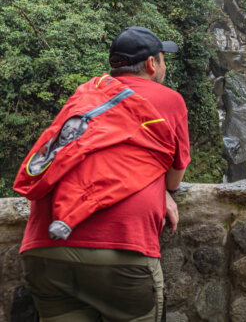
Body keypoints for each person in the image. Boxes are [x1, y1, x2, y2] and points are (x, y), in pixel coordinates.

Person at [19, 26, 191, 322]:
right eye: (163, 59)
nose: (164, 66)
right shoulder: (168, 100)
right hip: (122, 250)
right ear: (152, 64)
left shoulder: (86, 96)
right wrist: (161, 189)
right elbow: (175, 177)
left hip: (45, 249)